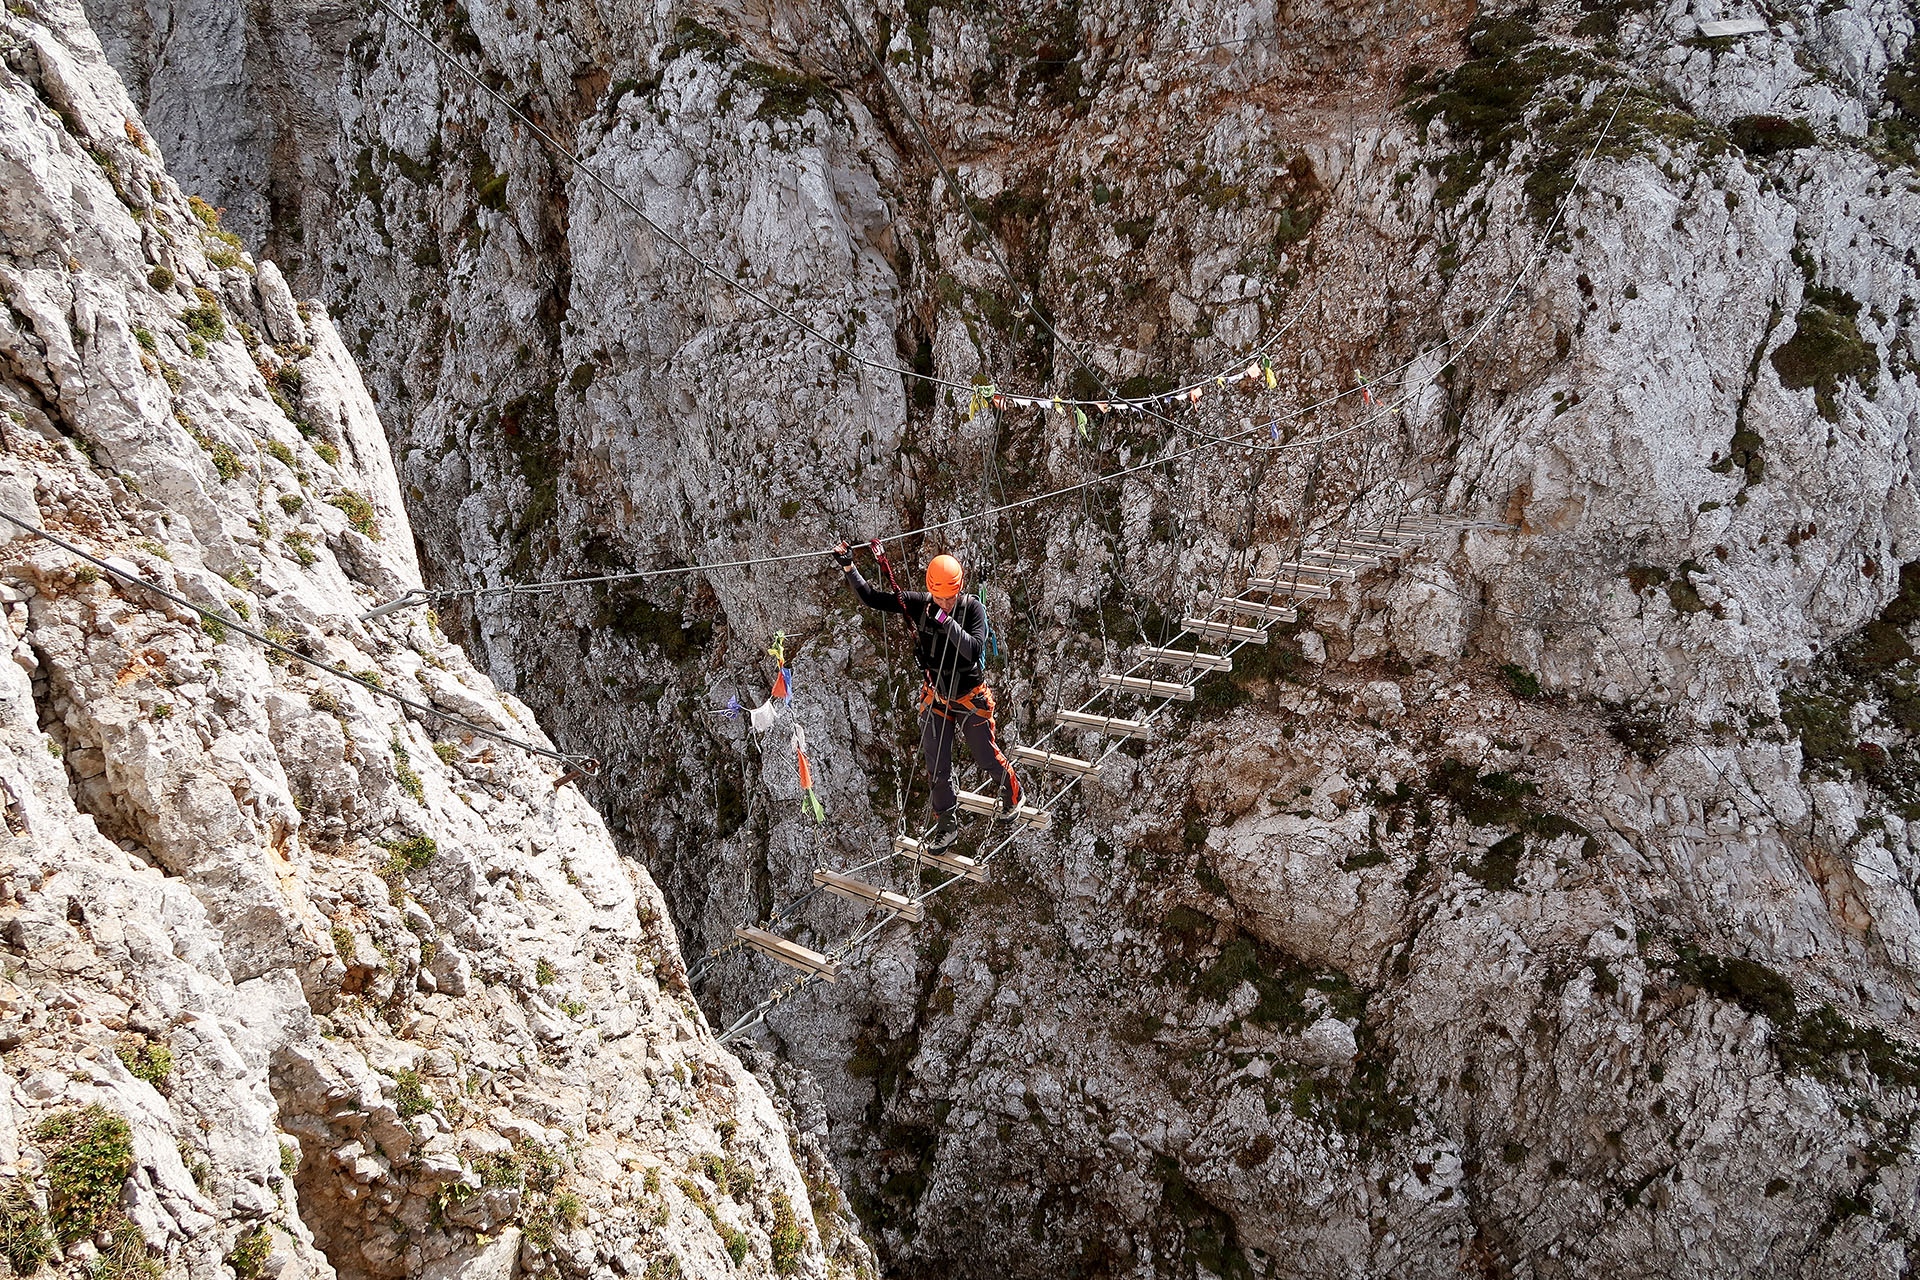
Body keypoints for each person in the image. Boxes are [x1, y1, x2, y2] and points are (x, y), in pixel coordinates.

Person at [835, 544, 1022, 848]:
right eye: (938, 598)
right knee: (937, 765)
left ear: (959, 590)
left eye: (948, 598)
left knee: (985, 755)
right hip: (936, 694)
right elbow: (872, 598)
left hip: (969, 695)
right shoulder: (921, 604)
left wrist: (946, 621)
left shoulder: (973, 609)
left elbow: (974, 650)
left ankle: (1012, 793)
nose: (943, 603)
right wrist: (849, 567)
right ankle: (946, 825)